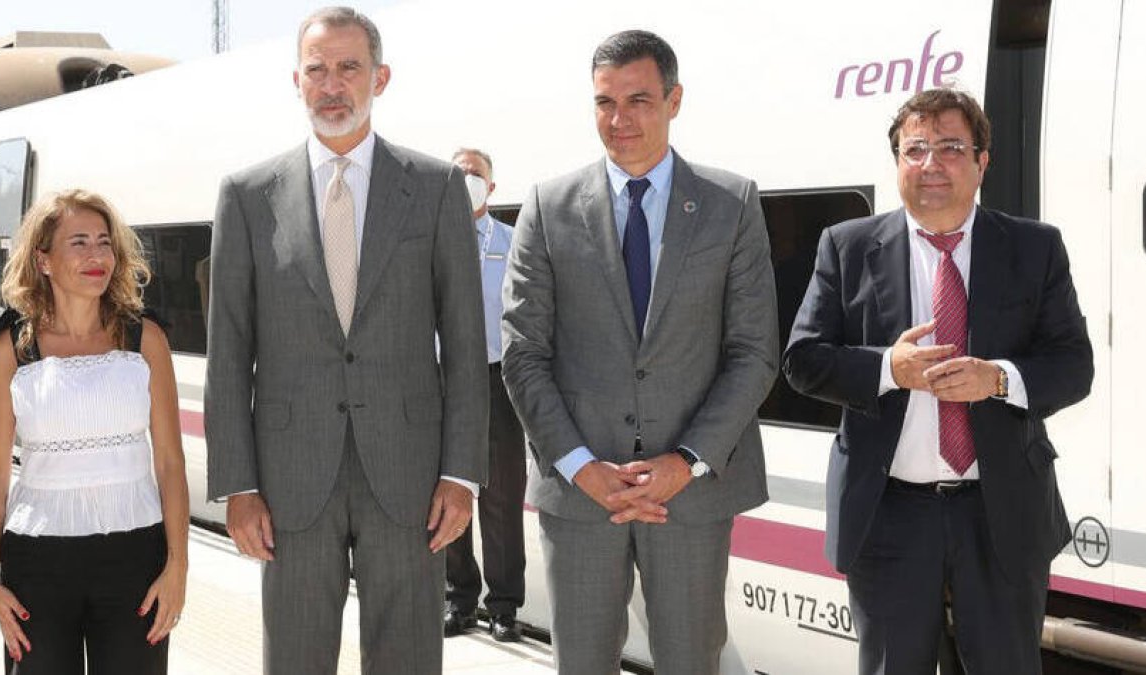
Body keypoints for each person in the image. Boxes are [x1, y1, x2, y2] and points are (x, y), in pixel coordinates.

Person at [204, 7, 488, 674]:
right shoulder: (246, 195)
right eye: (317, 70)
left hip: (412, 476)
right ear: (296, 82)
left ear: (380, 78)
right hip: (287, 480)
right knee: (296, 658)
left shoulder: (438, 187)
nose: (332, 85)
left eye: (349, 68)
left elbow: (467, 345)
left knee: (408, 659)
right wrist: (236, 484)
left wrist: (461, 473)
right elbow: (228, 351)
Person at [783, 88, 1094, 674]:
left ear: (982, 162)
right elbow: (803, 359)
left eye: (951, 147)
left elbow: (1073, 366)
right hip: (889, 513)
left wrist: (997, 380)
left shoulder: (1034, 247)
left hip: (1000, 510)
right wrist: (886, 369)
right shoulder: (847, 247)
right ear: (897, 162)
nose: (931, 164)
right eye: (915, 149)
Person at [502, 30, 778, 674]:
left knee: (691, 662)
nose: (619, 119)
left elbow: (753, 349)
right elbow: (523, 352)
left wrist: (686, 461)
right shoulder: (547, 207)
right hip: (580, 497)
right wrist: (578, 464)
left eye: (639, 100)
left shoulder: (730, 204)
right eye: (604, 102)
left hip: (690, 494)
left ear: (674, 99)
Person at [0, 188, 189, 673]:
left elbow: (171, 463)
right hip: (37, 564)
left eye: (104, 242)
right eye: (79, 243)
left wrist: (178, 564)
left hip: (136, 559)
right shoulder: (11, 348)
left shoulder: (145, 340)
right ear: (43, 260)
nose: (97, 256)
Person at [443, 148, 527, 643]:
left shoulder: (514, 244)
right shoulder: (427, 242)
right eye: (457, 173)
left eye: (474, 174)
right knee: (447, 491)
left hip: (497, 381)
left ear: (492, 187)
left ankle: (504, 606)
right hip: (442, 379)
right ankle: (459, 599)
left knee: (500, 497)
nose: (465, 180)